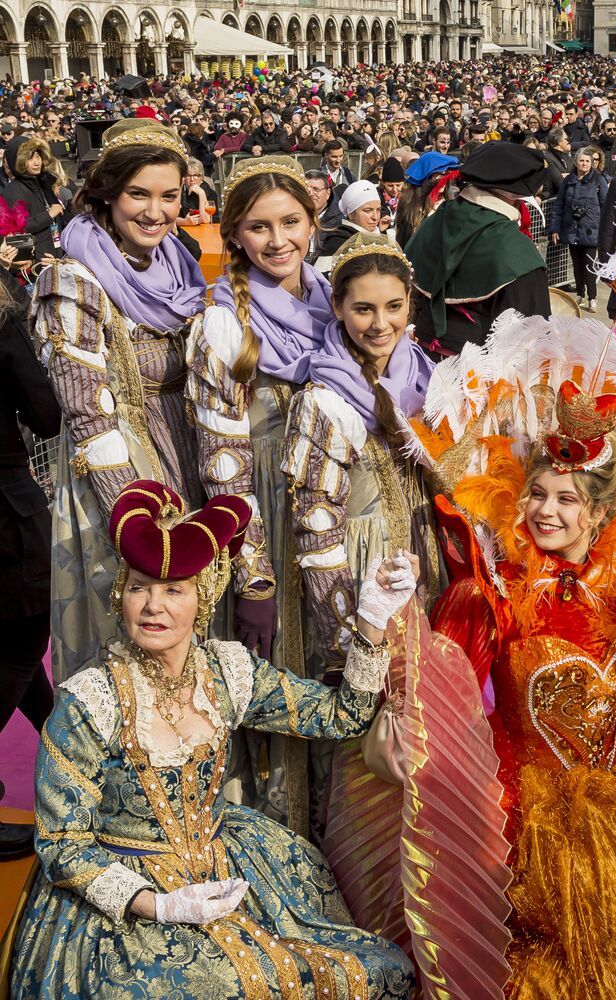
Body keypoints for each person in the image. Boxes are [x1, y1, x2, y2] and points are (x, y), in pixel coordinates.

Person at [6, 478, 418, 999]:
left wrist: (372, 620)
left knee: (378, 970)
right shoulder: (89, 703)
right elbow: (62, 844)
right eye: (139, 587)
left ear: (201, 598)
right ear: (120, 596)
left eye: (172, 589)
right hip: (125, 901)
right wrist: (158, 905)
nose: (153, 606)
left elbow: (341, 716)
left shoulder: (226, 673)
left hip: (228, 862)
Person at [419, 317, 616, 1000]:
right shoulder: (490, 594)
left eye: (566, 499)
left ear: (601, 510)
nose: (546, 511)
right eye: (538, 495)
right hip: (528, 816)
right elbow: (456, 714)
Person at [184, 156, 334, 832]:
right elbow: (224, 466)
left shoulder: (336, 296)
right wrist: (252, 577)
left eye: (290, 223)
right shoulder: (222, 324)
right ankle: (285, 832)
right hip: (269, 522)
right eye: (258, 227)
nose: (278, 241)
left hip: (338, 513)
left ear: (312, 222)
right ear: (235, 235)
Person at [33, 120, 208, 683]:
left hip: (185, 458)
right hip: (118, 478)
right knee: (133, 648)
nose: (156, 212)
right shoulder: (71, 279)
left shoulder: (180, 268)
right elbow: (86, 412)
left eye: (170, 195)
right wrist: (138, 521)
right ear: (108, 192)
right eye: (139, 194)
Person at [282, 233, 442, 687]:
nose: (380, 324)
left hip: (421, 558)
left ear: (410, 303)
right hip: (359, 573)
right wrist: (347, 637)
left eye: (393, 306)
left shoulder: (426, 378)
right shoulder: (324, 400)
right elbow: (315, 528)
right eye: (363, 309)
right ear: (337, 307)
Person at [0, 258, 59, 853]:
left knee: (13, 645)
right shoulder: (3, 327)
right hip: (8, 514)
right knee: (21, 641)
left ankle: (69, 755)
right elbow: (47, 414)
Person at [408, 140, 552, 355]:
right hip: (480, 375)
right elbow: (532, 340)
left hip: (419, 358)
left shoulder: (432, 221)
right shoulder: (516, 249)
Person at [550, 147, 608, 312]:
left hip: (591, 230)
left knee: (590, 265)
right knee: (577, 266)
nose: (584, 164)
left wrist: (605, 231)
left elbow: (605, 205)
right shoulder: (568, 181)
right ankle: (580, 294)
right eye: (581, 160)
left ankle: (593, 297)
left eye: (587, 161)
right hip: (571, 229)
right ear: (576, 162)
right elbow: (559, 205)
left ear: (592, 163)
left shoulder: (599, 181)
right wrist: (555, 228)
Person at [3, 136, 65, 263]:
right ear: (17, 161)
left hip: (53, 254)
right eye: (30, 158)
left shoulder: (42, 181)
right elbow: (17, 227)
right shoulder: (14, 190)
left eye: (38, 156)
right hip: (36, 263)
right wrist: (48, 215)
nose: (37, 163)